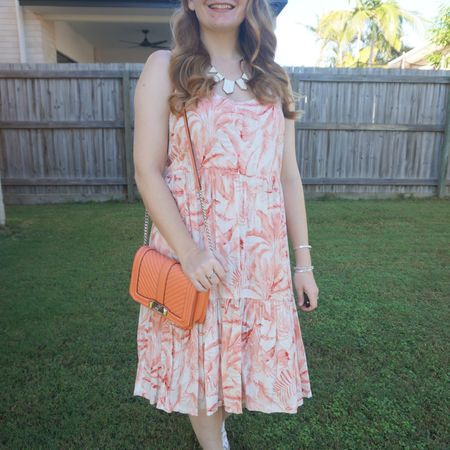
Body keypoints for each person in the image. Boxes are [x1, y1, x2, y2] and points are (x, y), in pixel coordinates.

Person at [132, 0, 319, 448]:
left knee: (238, 358)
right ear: (190, 2)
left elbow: (287, 176)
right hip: (196, 250)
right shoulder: (165, 67)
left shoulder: (274, 78)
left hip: (259, 256)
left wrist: (303, 263)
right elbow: (147, 170)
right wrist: (189, 251)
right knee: (200, 361)